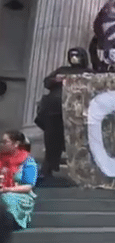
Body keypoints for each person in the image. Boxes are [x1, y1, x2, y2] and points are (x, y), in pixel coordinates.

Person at [35, 47, 93, 178]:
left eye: (77, 55)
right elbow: (47, 82)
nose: (74, 58)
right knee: (51, 139)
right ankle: (48, 167)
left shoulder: (89, 73)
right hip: (55, 109)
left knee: (79, 141)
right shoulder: (62, 70)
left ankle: (81, 171)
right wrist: (56, 79)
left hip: (77, 111)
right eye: (71, 55)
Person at [0, 130, 38, 231]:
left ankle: (10, 224)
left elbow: (28, 186)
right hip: (2, 190)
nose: (2, 144)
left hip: (20, 194)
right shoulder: (1, 159)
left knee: (6, 198)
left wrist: (7, 189)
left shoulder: (27, 160)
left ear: (16, 144)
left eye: (5, 142)